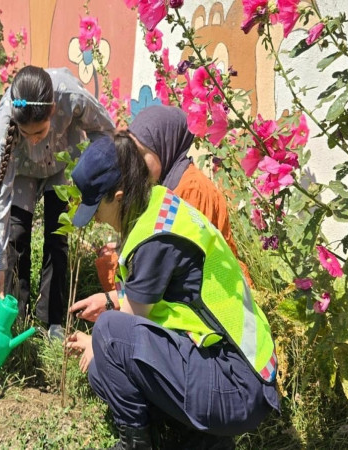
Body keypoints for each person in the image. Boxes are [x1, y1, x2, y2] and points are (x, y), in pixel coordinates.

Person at [65, 134, 279, 449]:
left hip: (236, 385)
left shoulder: (155, 239)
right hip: (232, 371)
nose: (94, 217)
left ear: (120, 195)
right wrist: (109, 306)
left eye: (96, 206)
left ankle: (138, 444)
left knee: (107, 334)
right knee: (101, 370)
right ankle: (199, 439)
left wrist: (94, 340)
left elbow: (123, 330)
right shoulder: (159, 205)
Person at [71, 104, 250, 322]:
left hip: (218, 307)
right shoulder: (162, 188)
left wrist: (112, 301)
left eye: (141, 154)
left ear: (166, 145)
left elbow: (175, 269)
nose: (134, 164)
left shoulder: (191, 189)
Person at [0, 66, 114, 340]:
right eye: (26, 134)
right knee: (16, 233)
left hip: (61, 162)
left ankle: (51, 321)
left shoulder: (70, 96)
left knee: (57, 234)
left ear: (52, 111)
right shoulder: (7, 119)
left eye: (39, 132)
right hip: (22, 168)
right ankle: (17, 315)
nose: (34, 140)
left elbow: (105, 130)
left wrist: (95, 172)